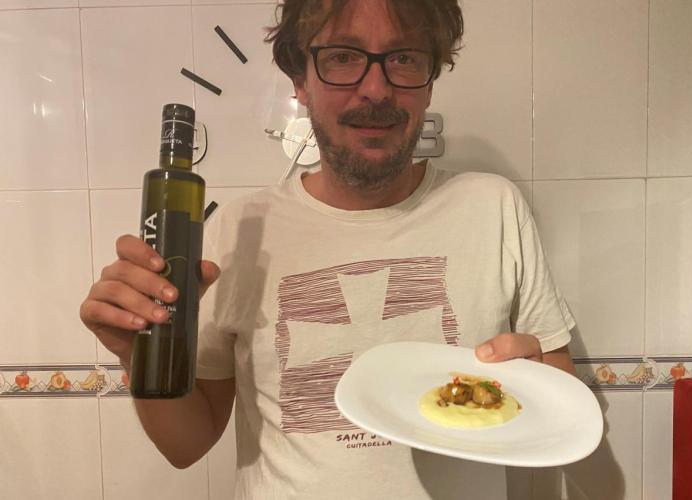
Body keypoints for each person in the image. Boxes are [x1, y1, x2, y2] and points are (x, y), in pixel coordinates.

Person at [80, 0, 577, 498]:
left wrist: (536, 394)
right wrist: (135, 354)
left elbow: (561, 396)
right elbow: (185, 445)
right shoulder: (237, 231)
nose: (376, 89)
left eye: (404, 57)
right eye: (343, 56)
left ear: (430, 82)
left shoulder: (493, 206)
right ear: (299, 79)